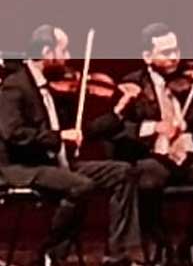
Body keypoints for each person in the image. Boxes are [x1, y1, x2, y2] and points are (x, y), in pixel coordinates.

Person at [0, 24, 145, 266]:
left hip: (54, 164)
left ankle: (118, 255)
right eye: (64, 51)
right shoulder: (16, 86)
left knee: (124, 173)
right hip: (21, 167)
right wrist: (58, 137)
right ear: (47, 53)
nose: (68, 58)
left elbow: (79, 132)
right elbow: (14, 134)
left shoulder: (47, 88)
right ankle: (50, 253)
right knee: (81, 186)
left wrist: (117, 114)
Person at [113, 23, 193, 260]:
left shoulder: (190, 80)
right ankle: (162, 242)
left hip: (189, 157)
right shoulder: (132, 84)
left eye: (176, 50)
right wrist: (155, 127)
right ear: (147, 56)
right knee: (146, 183)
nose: (174, 58)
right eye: (166, 52)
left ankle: (191, 238)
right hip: (154, 157)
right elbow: (118, 130)